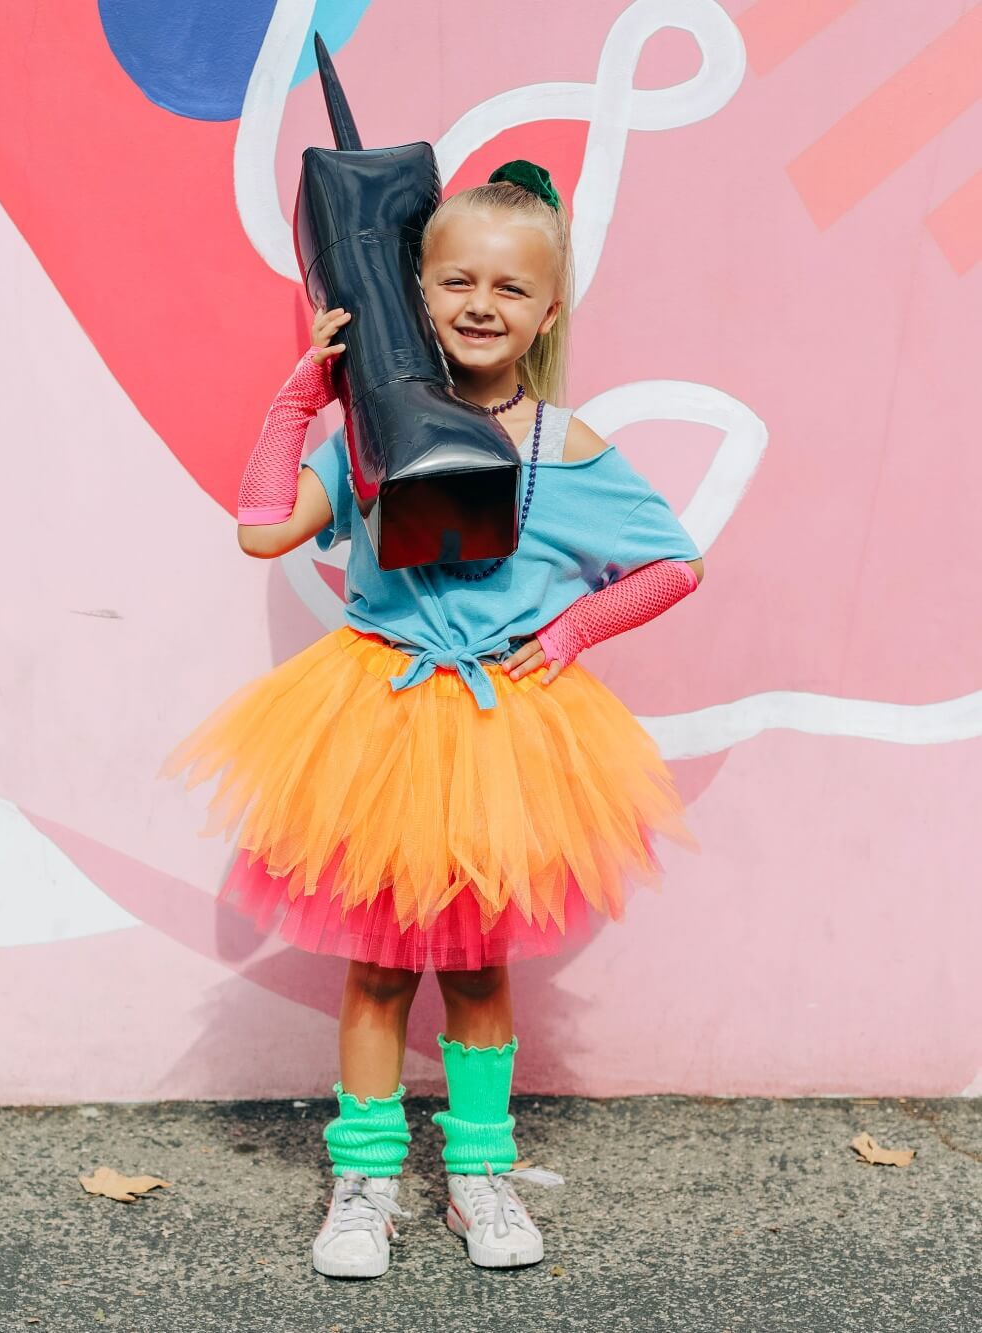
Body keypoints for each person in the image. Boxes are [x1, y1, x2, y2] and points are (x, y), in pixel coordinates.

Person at [162, 160, 704, 1279]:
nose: (480, 305)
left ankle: (477, 1175)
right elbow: (265, 528)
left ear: (548, 311)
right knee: (374, 967)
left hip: (500, 730)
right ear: (417, 291)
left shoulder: (567, 446)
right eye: (455, 279)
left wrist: (559, 640)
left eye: (510, 288)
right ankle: (363, 1179)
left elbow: (671, 566)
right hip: (381, 717)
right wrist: (299, 400)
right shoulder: (369, 432)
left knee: (474, 966)